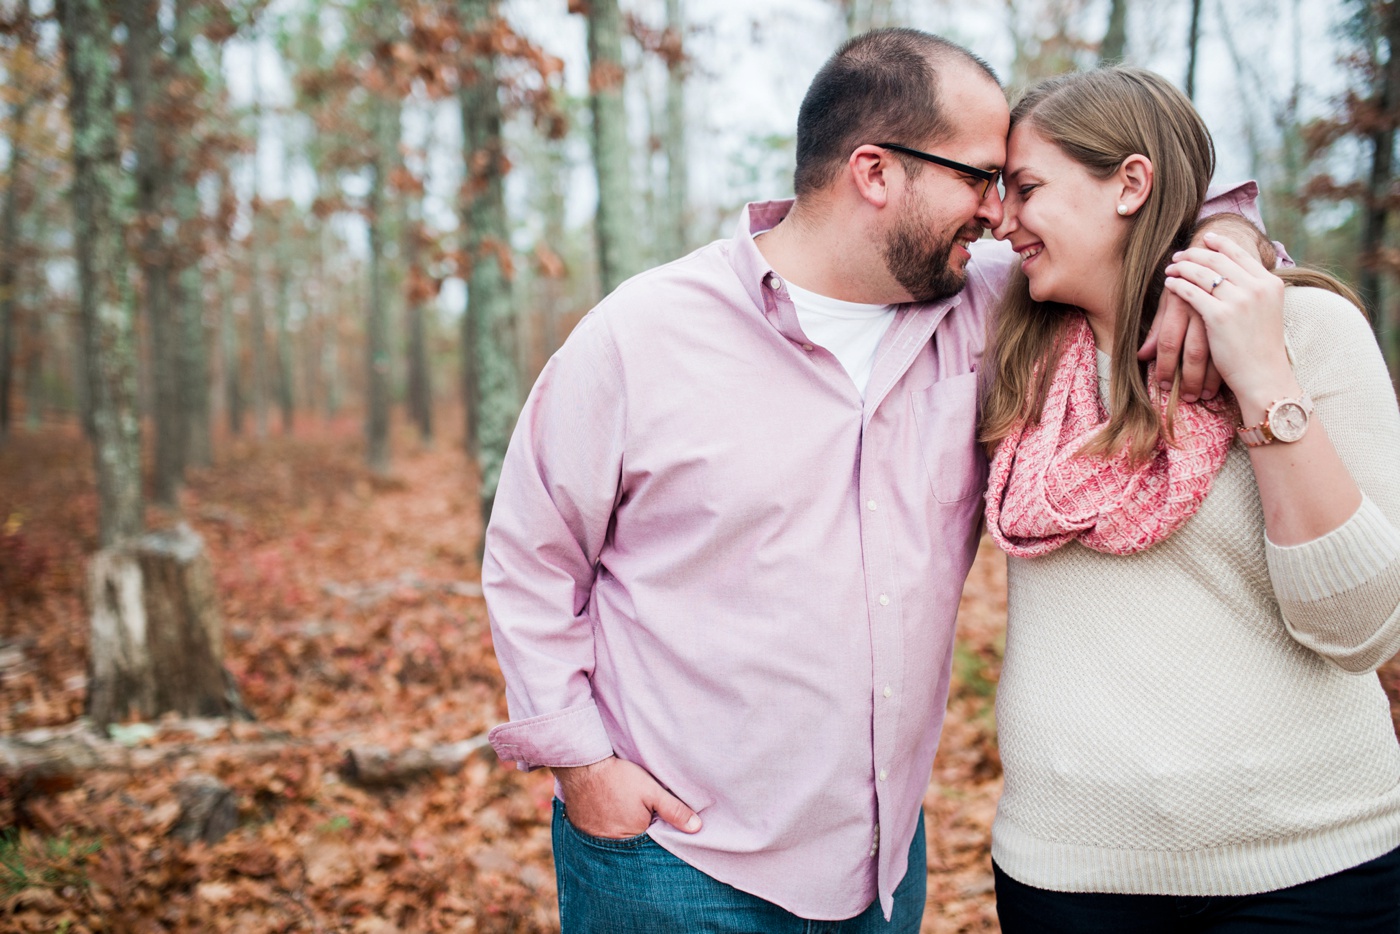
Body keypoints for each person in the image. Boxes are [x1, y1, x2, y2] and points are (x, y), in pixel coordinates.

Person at [483, 30, 1214, 932]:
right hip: (669, 861)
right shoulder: (641, 335)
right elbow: (531, 560)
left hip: (880, 870)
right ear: (875, 171)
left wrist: (1214, 257)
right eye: (980, 177)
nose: (997, 214)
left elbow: (1154, 212)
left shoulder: (993, 310)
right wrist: (582, 766)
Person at [981, 65, 1400, 933]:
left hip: (1314, 867)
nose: (1000, 217)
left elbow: (1363, 629)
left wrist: (1263, 378)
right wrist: (1230, 232)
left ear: (1131, 182)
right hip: (1066, 870)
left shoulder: (1308, 331)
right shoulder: (1002, 343)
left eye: (1025, 189)